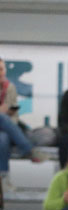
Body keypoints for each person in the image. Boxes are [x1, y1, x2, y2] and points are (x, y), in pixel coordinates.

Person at [0, 57, 47, 193]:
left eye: (2, 69)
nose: (0, 72)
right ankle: (28, 150)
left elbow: (13, 115)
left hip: (4, 129)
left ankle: (3, 179)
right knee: (2, 118)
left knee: (2, 139)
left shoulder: (9, 87)